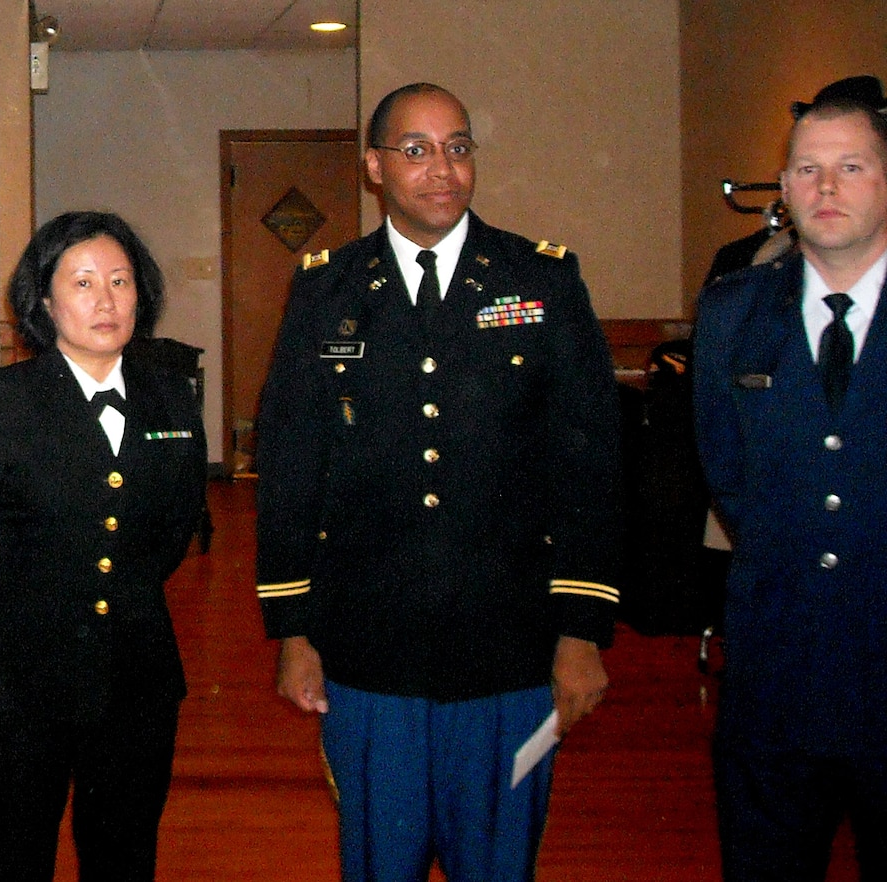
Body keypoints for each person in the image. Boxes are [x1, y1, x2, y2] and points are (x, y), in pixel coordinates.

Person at [253, 82, 622, 882]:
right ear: (374, 168)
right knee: (379, 861)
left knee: (498, 861)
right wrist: (294, 631)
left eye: (458, 147)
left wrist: (582, 630)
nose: (442, 169)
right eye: (415, 151)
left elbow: (589, 464)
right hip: (368, 649)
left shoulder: (542, 282)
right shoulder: (327, 290)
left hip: (511, 650)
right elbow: (291, 465)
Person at [692, 94, 887, 881]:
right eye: (808, 169)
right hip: (778, 672)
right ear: (783, 188)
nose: (827, 187)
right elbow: (729, 471)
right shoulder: (731, 313)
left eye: (850, 167)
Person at [0, 211, 205, 881]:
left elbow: (172, 531)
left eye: (120, 281)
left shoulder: (170, 397)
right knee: (12, 858)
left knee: (125, 855)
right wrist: (0, 624)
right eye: (83, 283)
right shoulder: (2, 402)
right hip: (21, 687)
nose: (105, 301)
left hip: (138, 679)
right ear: (45, 302)